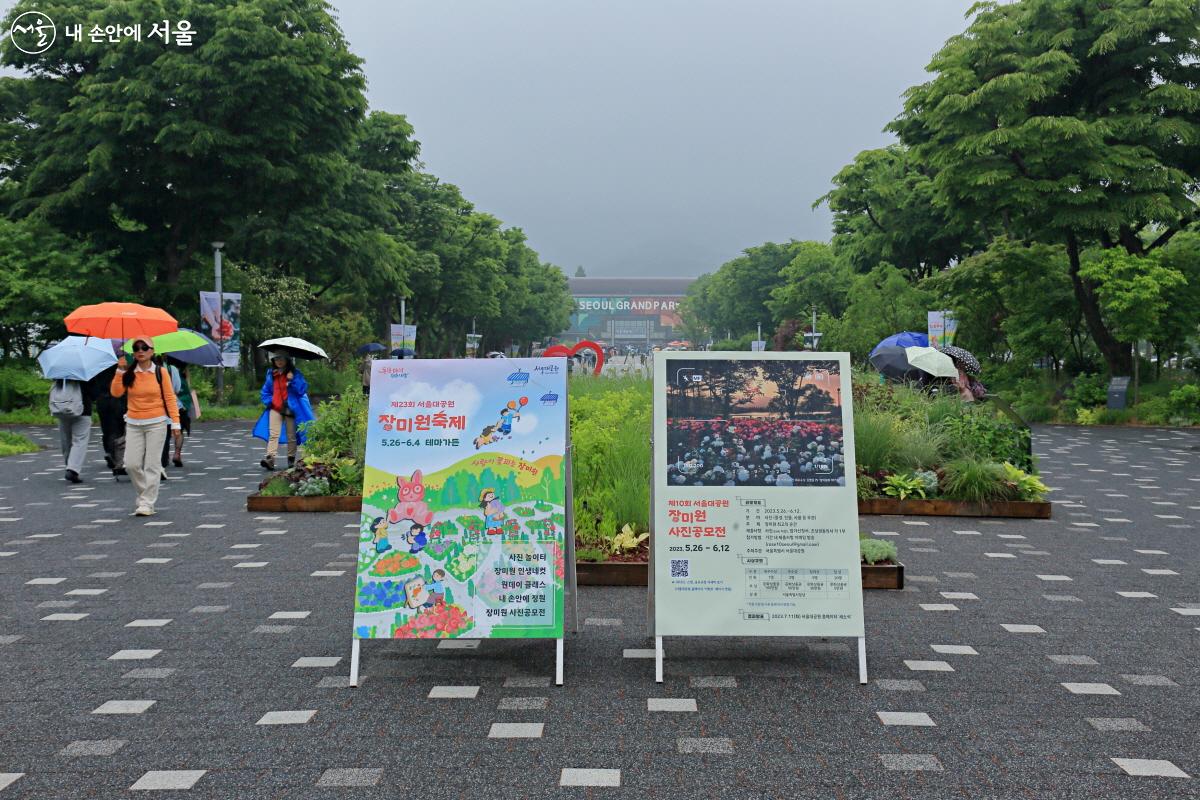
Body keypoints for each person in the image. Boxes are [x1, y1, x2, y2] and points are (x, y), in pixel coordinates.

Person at [110, 338, 181, 516]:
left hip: (156, 422)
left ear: (152, 351)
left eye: (144, 348)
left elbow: (170, 398)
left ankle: (147, 503)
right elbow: (116, 393)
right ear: (133, 352)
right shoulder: (128, 372)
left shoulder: (160, 372)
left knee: (152, 464)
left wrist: (176, 422)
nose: (140, 351)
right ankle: (144, 494)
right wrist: (119, 370)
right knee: (131, 464)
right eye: (136, 348)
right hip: (133, 422)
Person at [254, 352, 316, 470]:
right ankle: (270, 458)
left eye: (281, 358)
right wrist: (270, 403)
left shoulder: (295, 373)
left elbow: (301, 390)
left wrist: (292, 381)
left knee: (291, 435)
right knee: (273, 434)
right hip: (276, 407)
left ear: (287, 359)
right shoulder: (271, 374)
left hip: (290, 407)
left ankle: (291, 460)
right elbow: (265, 392)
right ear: (273, 361)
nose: (279, 361)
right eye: (276, 358)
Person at [49, 377, 93, 483]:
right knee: (80, 440)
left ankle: (69, 464)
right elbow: (94, 393)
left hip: (62, 409)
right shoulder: (86, 373)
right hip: (83, 410)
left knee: (66, 440)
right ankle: (72, 469)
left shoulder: (60, 373)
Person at [92, 364, 126, 478]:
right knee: (119, 429)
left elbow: (93, 384)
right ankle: (117, 456)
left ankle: (109, 451)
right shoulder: (120, 366)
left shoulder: (99, 365)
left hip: (102, 399)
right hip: (118, 399)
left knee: (107, 428)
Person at [170, 359, 199, 467]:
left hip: (165, 403)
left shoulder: (163, 367)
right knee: (180, 430)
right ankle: (177, 453)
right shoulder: (183, 369)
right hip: (182, 403)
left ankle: (161, 456)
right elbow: (187, 386)